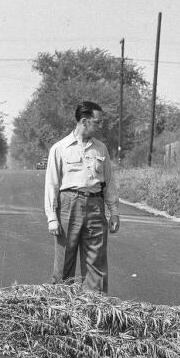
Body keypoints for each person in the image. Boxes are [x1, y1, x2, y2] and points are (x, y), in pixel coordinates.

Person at [43, 100, 120, 292]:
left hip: (95, 205)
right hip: (68, 205)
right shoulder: (59, 148)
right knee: (64, 262)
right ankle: (61, 309)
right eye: (97, 122)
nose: (100, 126)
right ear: (84, 121)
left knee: (96, 262)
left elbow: (109, 182)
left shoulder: (101, 148)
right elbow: (51, 184)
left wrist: (114, 212)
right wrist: (52, 217)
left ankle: (95, 311)